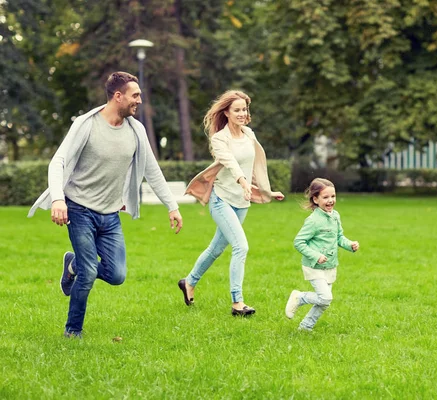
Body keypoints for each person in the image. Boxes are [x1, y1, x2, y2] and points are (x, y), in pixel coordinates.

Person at [28, 71, 183, 338]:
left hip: (111, 214)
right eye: (135, 96)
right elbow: (58, 161)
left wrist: (172, 205)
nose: (139, 101)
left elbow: (151, 170)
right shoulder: (86, 124)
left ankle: (72, 264)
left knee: (116, 274)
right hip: (79, 209)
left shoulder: (136, 130)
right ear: (117, 96)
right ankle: (72, 331)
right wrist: (57, 198)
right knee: (89, 273)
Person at [181, 90, 285, 316]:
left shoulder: (249, 134)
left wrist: (266, 191)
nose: (241, 113)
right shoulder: (219, 139)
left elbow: (256, 167)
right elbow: (230, 164)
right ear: (226, 112)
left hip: (241, 202)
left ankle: (189, 282)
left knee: (216, 248)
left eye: (244, 109)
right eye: (236, 110)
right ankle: (238, 302)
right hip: (222, 199)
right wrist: (242, 182)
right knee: (241, 247)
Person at [285, 178, 359, 331]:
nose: (330, 200)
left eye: (333, 196)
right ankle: (300, 297)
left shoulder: (335, 216)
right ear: (315, 199)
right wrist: (315, 256)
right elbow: (299, 242)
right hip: (314, 266)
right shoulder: (313, 221)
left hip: (330, 265)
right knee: (325, 298)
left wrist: (350, 245)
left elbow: (339, 237)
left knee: (324, 302)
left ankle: (305, 327)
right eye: (325, 197)